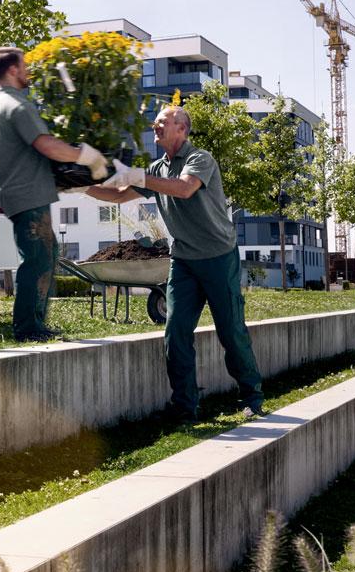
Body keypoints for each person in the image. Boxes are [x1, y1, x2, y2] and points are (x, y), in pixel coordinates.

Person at [87, 105, 264, 421]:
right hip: (182, 260)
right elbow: (117, 195)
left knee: (230, 330)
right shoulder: (155, 169)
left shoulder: (201, 159)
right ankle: (184, 406)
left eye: (162, 121)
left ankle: (252, 397)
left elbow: (184, 188)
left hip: (218, 257)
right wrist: (79, 184)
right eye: (155, 121)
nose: (155, 125)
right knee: (176, 332)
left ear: (181, 128)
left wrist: (139, 175)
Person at [0, 47, 109, 341]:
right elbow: (46, 145)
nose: (28, 72)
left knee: (45, 255)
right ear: (12, 70)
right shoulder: (16, 105)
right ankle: (27, 327)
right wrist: (85, 155)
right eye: (24, 66)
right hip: (28, 193)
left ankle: (35, 322)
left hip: (17, 191)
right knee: (37, 258)